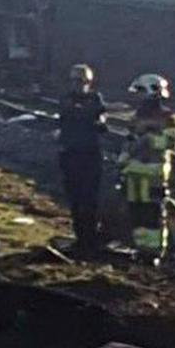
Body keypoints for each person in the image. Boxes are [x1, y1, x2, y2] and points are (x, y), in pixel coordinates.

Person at [118, 73, 175, 265]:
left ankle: (153, 253)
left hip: (153, 175)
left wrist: (150, 141)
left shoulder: (166, 116)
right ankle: (141, 249)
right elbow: (128, 141)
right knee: (137, 213)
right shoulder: (137, 116)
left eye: (139, 92)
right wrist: (124, 161)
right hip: (135, 176)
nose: (137, 97)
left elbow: (172, 141)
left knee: (152, 216)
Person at [59, 64, 108, 253]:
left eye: (82, 82)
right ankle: (81, 236)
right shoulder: (67, 99)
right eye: (75, 81)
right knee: (75, 198)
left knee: (90, 198)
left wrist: (96, 119)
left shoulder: (95, 98)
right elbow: (73, 115)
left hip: (90, 153)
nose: (79, 85)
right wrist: (90, 117)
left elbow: (100, 118)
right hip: (71, 153)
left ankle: (90, 236)